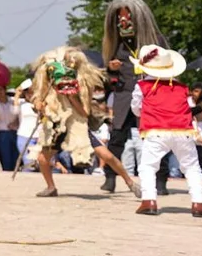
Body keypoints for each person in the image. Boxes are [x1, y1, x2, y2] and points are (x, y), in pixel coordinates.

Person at [29, 47, 136, 198]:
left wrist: (73, 98)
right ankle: (51, 187)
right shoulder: (47, 91)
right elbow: (38, 104)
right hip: (57, 127)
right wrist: (39, 106)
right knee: (42, 158)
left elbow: (85, 113)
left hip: (77, 127)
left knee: (106, 155)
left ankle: (130, 182)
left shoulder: (83, 89)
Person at [128, 46, 202, 217]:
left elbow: (136, 109)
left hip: (155, 131)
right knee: (191, 167)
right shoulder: (182, 87)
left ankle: (149, 201)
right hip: (182, 130)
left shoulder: (143, 85)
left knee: (148, 166)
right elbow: (185, 107)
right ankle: (199, 203)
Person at [99, 0, 167, 195]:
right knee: (116, 139)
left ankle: (160, 181)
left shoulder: (156, 41)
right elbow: (108, 80)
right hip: (124, 97)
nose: (123, 22)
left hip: (149, 96)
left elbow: (169, 67)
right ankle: (110, 178)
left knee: (153, 140)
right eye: (119, 18)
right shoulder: (116, 45)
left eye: (127, 17)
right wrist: (111, 70)